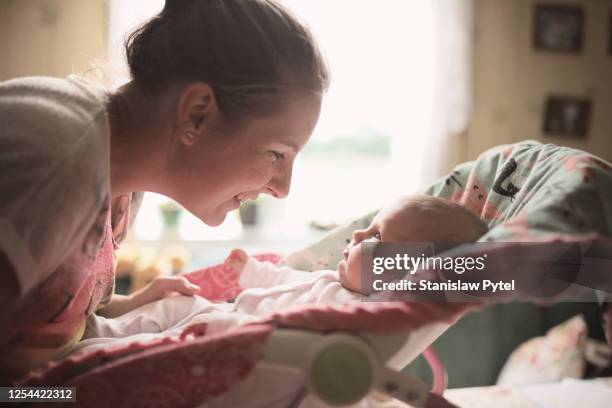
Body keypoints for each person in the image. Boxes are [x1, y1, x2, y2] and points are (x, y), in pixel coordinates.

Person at [0, 0, 329, 383]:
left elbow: (35, 325)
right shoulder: (57, 158)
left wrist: (126, 308)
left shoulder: (118, 180)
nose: (283, 189)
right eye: (277, 153)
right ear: (197, 114)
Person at [80, 195, 489, 343]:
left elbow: (284, 338)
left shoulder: (358, 317)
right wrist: (251, 270)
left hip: (227, 336)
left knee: (162, 326)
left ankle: (88, 354)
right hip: (221, 314)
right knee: (167, 310)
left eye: (378, 238)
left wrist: (224, 330)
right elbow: (285, 280)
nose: (359, 235)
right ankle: (92, 333)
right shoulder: (332, 281)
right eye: (368, 226)